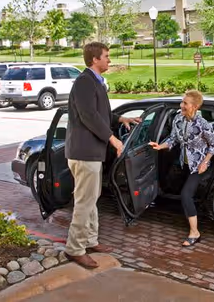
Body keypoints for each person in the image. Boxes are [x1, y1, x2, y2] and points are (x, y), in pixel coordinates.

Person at [64, 42, 140, 269]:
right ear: (95, 59)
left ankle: (90, 240)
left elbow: (102, 113)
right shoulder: (84, 82)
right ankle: (74, 249)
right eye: (106, 56)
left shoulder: (95, 82)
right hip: (84, 153)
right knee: (84, 202)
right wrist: (113, 139)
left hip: (91, 154)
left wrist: (120, 119)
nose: (109, 60)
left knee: (91, 199)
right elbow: (89, 116)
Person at [149, 90, 214, 247]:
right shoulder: (178, 119)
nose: (181, 105)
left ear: (194, 106)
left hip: (199, 166)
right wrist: (160, 146)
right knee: (182, 191)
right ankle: (193, 216)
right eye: (182, 102)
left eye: (185, 103)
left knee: (186, 195)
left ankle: (195, 233)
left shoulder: (203, 125)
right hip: (184, 163)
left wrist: (205, 162)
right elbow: (173, 139)